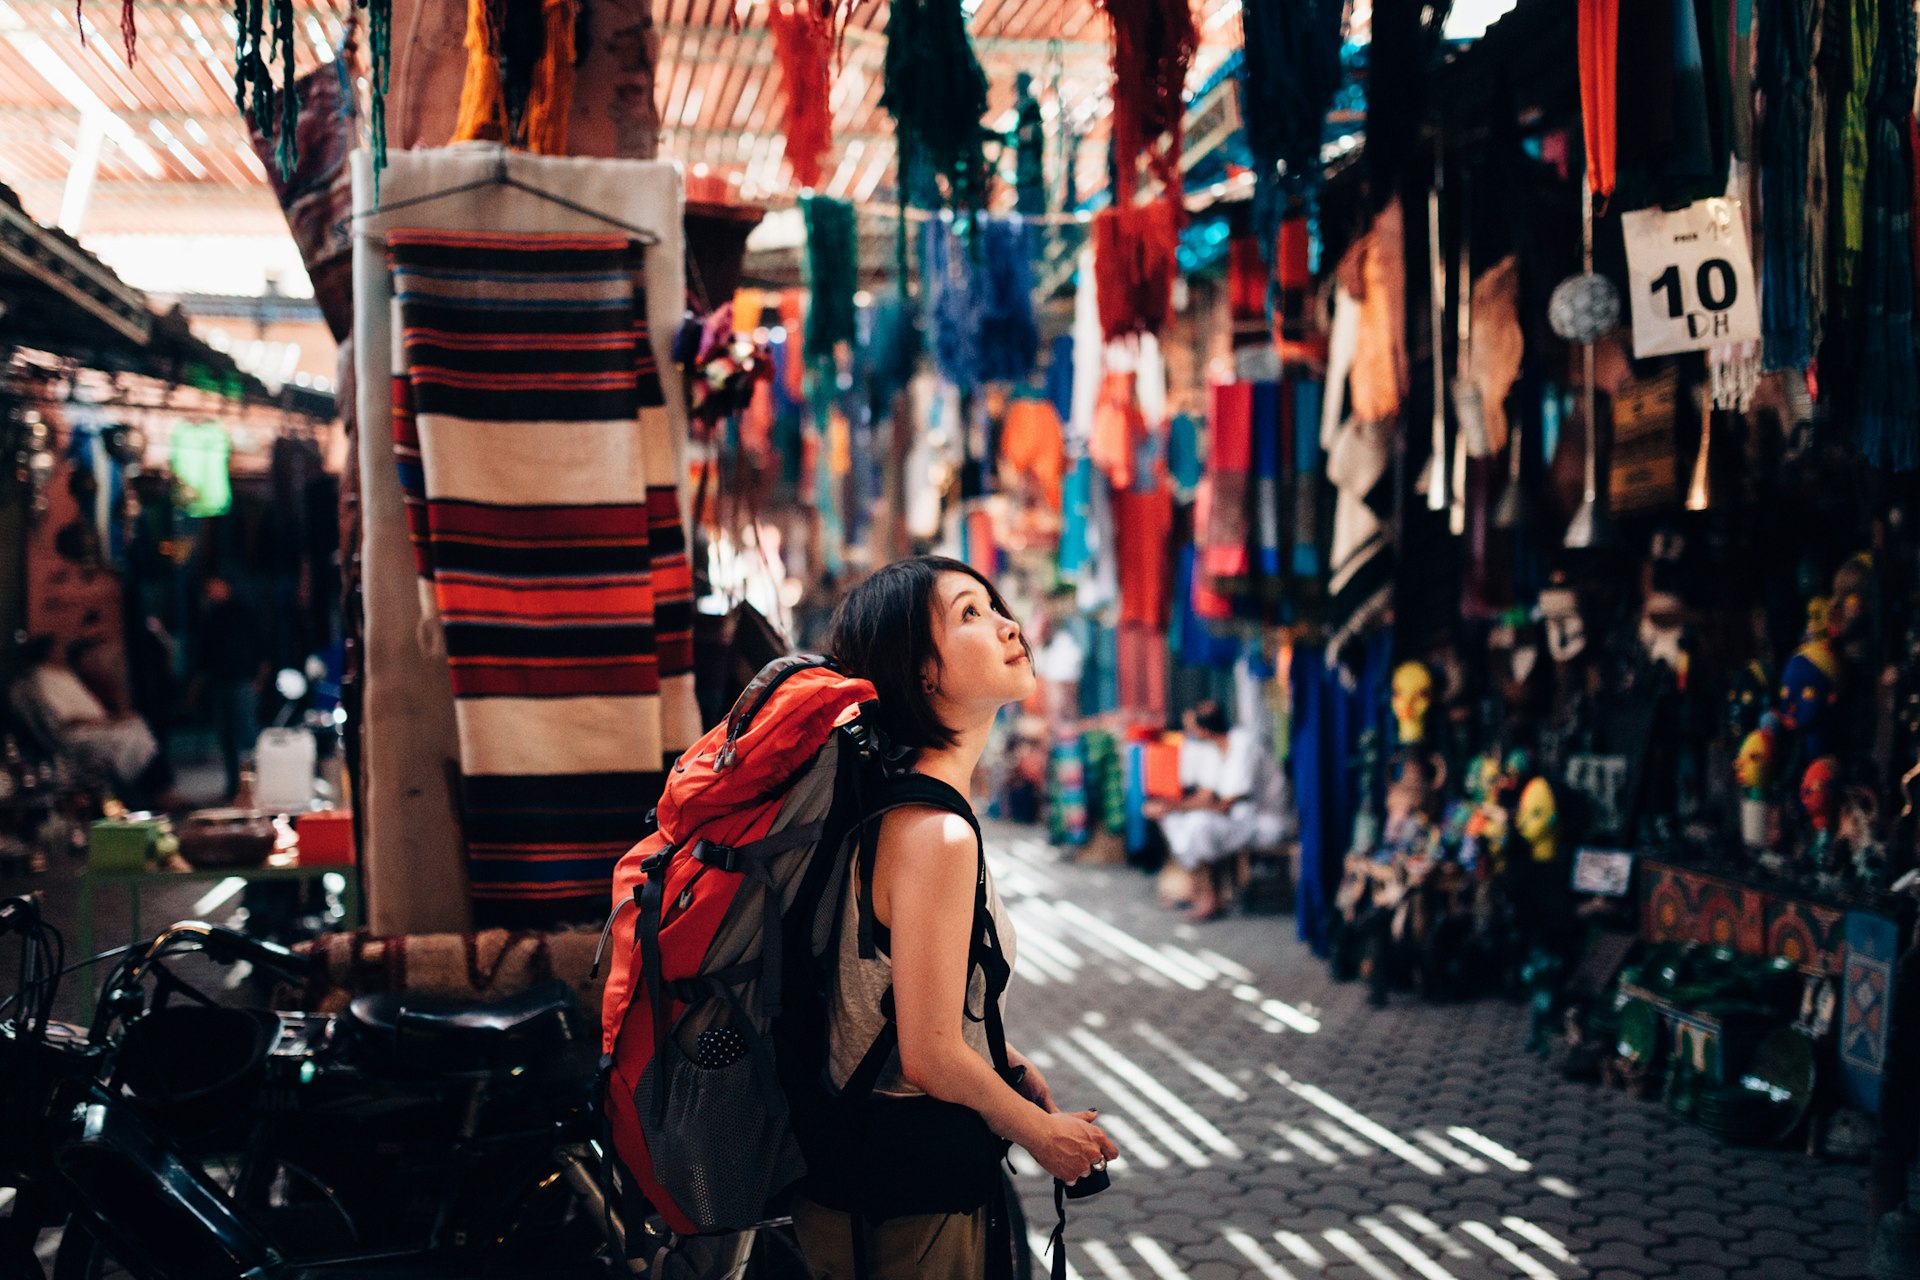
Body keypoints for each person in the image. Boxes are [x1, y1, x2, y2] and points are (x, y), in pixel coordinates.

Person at [794, 555, 1118, 1279]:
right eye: (970, 613)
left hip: (878, 1172)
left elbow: (895, 1001)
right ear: (924, 672)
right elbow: (928, 1053)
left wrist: (1003, 1062)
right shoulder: (936, 833)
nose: (1007, 625)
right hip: (910, 1192)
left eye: (995, 606)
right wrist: (1044, 1137)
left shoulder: (905, 805)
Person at [1147, 700, 1288, 921]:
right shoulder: (1214, 748)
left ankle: (1211, 896)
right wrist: (1168, 808)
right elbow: (1205, 795)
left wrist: (1176, 807)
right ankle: (1198, 888)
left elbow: (1225, 805)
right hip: (1236, 819)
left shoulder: (1244, 745)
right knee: (1174, 821)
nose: (1188, 733)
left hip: (1263, 821)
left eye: (1191, 729)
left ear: (1203, 731)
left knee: (1200, 825)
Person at [12, 635, 161, 794]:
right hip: (76, 733)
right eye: (58, 650)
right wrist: (105, 722)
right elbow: (66, 717)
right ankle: (128, 790)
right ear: (48, 653)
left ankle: (152, 789)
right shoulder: (42, 679)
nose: (63, 653)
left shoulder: (63, 673)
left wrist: (111, 718)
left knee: (138, 726)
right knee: (129, 738)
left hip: (97, 724)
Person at [196, 576, 266, 802]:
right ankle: (233, 786)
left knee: (247, 735)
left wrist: (259, 678)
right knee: (226, 737)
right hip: (220, 682)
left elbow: (261, 644)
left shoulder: (242, 611)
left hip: (242, 680)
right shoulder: (210, 616)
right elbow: (205, 652)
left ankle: (253, 786)